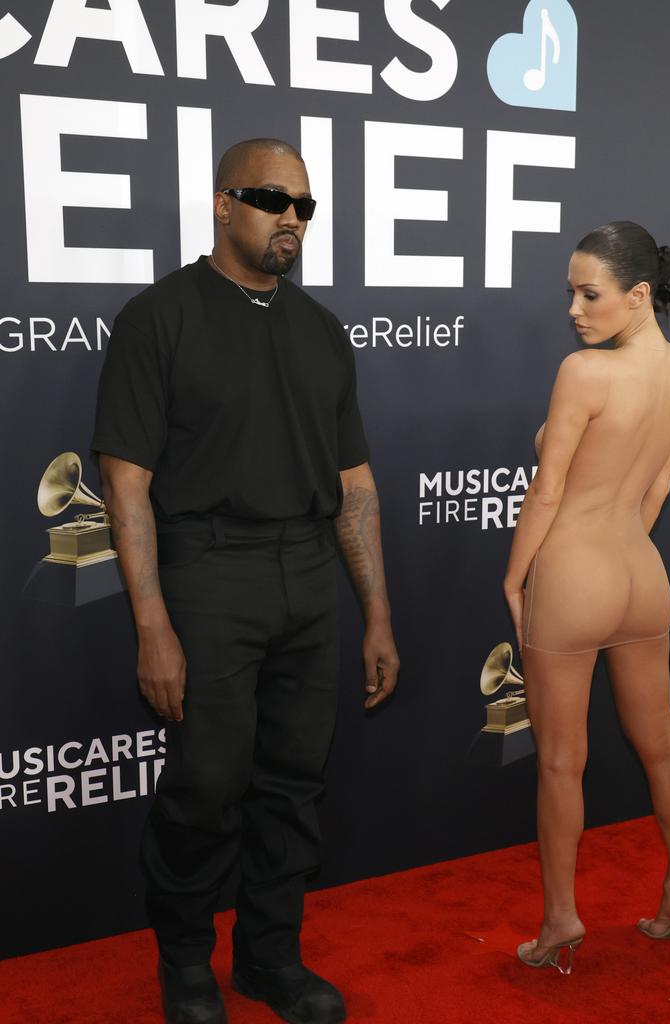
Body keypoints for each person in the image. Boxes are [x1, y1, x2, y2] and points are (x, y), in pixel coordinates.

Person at [91, 138, 399, 1024]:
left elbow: (354, 486)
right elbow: (126, 483)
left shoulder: (321, 331)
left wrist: (375, 612)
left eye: (304, 205)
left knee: (295, 783)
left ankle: (269, 958)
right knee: (207, 785)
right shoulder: (161, 316)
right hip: (208, 573)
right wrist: (152, 622)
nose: (291, 219)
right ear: (223, 203)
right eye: (271, 198)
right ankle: (186, 962)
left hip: (309, 575)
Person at [503, 221, 670, 974]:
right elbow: (658, 484)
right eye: (572, 294)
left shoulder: (585, 372)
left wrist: (516, 576)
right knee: (664, 743)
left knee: (560, 762)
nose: (575, 310)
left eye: (590, 293)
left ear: (638, 294)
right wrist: (622, 546)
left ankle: (560, 922)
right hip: (643, 573)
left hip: (575, 575)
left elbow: (547, 491)